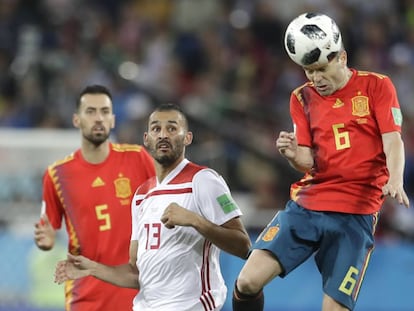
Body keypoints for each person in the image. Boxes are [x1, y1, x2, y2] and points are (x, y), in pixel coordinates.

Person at [232, 13, 410, 311]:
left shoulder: (377, 87)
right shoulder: (301, 98)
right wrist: (292, 155)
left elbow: (393, 139)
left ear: (342, 57)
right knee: (247, 281)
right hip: (307, 206)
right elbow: (307, 159)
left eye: (321, 69)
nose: (315, 78)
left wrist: (396, 178)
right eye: (308, 71)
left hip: (355, 215)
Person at [54, 103, 251, 311]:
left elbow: (243, 245)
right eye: (156, 129)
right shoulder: (141, 196)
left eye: (172, 128)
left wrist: (195, 220)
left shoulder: (203, 180)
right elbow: (137, 273)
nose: (163, 135)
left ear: (187, 138)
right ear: (147, 138)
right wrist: (92, 268)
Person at [33, 84, 156, 311]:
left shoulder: (137, 158)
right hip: (85, 298)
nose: (98, 118)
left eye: (104, 111)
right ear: (76, 120)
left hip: (138, 295)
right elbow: (47, 232)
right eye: (90, 111)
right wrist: (45, 240)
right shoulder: (57, 174)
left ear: (113, 120)